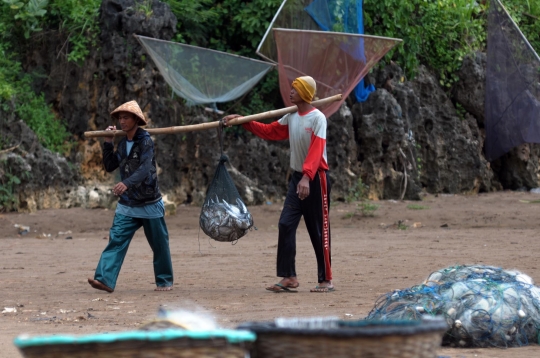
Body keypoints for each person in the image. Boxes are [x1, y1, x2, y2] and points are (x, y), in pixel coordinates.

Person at [223, 76, 333, 293]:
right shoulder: (291, 115)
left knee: (318, 230)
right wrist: (244, 121)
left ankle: (326, 279)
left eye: (295, 89)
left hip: (315, 178)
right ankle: (289, 276)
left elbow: (316, 150)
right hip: (297, 179)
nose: (290, 92)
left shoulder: (318, 119)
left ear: (305, 93)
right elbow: (271, 131)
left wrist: (307, 177)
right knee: (285, 224)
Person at [88, 100, 174, 293]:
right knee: (116, 239)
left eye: (126, 117)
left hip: (149, 201)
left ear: (136, 119)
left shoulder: (145, 141)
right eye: (120, 118)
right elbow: (110, 166)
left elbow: (145, 169)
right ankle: (104, 279)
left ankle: (164, 280)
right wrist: (108, 143)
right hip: (128, 203)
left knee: (159, 243)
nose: (122, 121)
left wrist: (125, 183)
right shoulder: (122, 143)